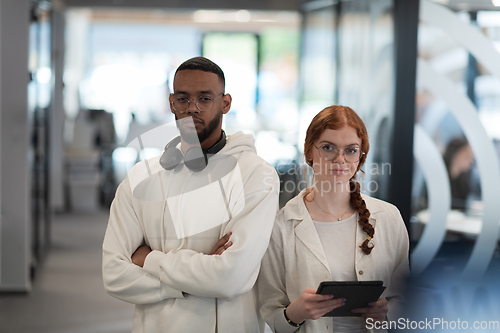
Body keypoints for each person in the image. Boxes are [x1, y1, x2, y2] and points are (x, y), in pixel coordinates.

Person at [102, 57, 280, 333]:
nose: (192, 109)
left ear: (225, 103)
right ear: (172, 103)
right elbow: (114, 274)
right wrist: (199, 275)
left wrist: (150, 260)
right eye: (183, 99)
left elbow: (230, 279)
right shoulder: (141, 177)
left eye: (205, 99)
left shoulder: (255, 174)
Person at [257, 105, 410, 333]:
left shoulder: (389, 218)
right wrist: (295, 313)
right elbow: (271, 317)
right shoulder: (281, 225)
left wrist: (387, 314)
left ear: (361, 157)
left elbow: (405, 299)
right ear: (309, 152)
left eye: (350, 150)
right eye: (328, 148)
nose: (339, 159)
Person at [443, 137, 474, 211]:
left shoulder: (464, 178)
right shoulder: (440, 176)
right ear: (455, 154)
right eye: (467, 154)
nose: (471, 159)